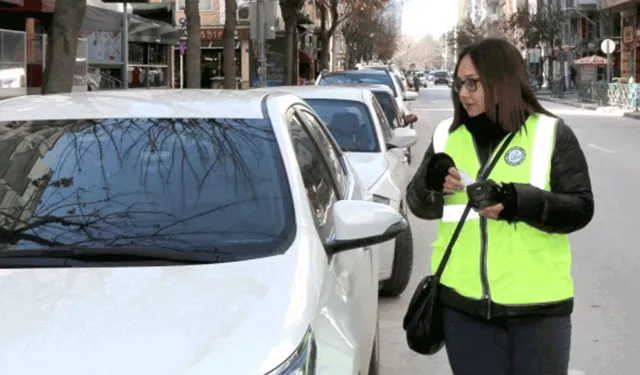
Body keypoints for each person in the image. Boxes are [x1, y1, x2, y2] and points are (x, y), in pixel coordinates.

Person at [406, 38, 594, 375]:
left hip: (538, 313)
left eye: (473, 84)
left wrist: (515, 202)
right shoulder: (446, 136)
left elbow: (580, 208)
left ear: (502, 81)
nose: (463, 94)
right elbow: (419, 205)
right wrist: (431, 183)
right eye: (459, 83)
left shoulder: (550, 134)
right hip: (464, 312)